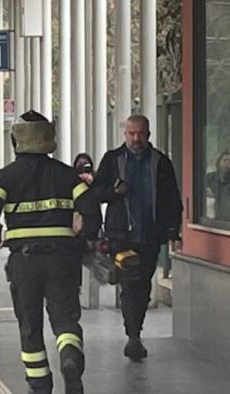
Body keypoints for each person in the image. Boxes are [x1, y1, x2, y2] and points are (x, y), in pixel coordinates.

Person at [0, 110, 101, 394]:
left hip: (24, 261)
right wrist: (85, 232)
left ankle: (40, 383)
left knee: (30, 324)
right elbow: (92, 212)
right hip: (62, 259)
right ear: (48, 138)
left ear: (16, 140)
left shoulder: (5, 177)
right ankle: (69, 356)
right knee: (65, 319)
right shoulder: (68, 176)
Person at [91, 114, 182, 362]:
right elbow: (96, 192)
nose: (136, 138)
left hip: (150, 236)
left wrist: (173, 230)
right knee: (131, 283)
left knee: (142, 284)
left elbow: (173, 198)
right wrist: (113, 192)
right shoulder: (113, 160)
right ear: (125, 134)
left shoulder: (160, 162)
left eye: (140, 133)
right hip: (121, 236)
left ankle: (134, 331)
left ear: (148, 134)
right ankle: (134, 336)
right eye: (131, 133)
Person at [207, 150, 230, 221]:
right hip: (214, 219)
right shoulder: (210, 177)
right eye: (225, 160)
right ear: (218, 162)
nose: (227, 163)